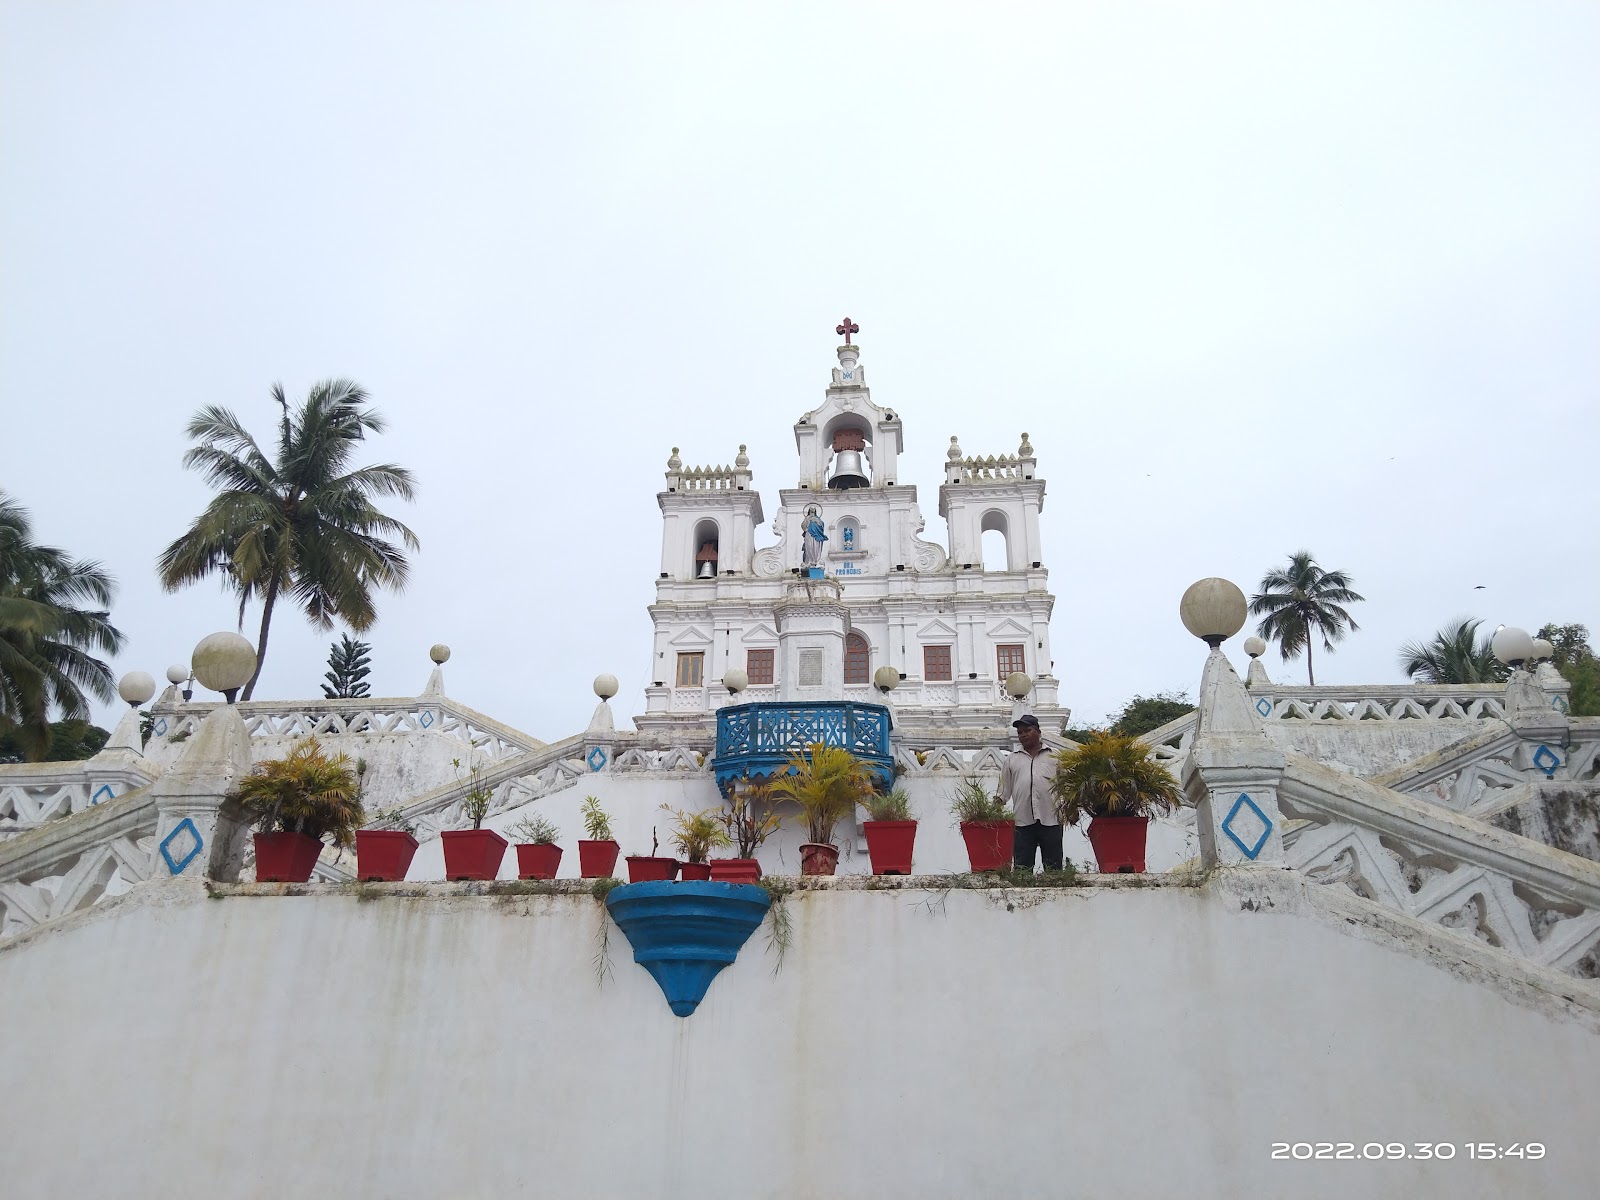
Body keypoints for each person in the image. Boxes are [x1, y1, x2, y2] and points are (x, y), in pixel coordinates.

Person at [999, 713, 1062, 870]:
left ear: (1038, 731)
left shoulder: (1055, 756)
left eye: (1027, 730)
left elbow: (1066, 785)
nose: (1023, 735)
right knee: (1022, 869)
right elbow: (1003, 790)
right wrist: (992, 810)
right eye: (1020, 732)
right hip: (1022, 822)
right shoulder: (1012, 759)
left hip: (1051, 819)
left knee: (1054, 868)